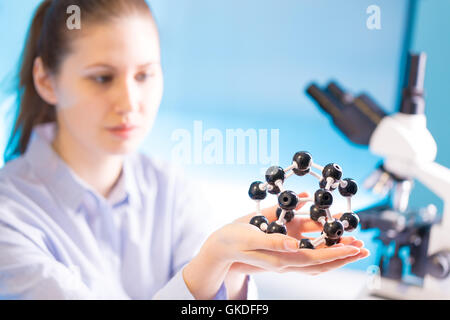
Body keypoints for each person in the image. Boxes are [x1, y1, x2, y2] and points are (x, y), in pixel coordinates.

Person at [0, 0, 369, 300]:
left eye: (144, 75)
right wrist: (211, 264)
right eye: (102, 77)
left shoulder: (168, 187)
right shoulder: (9, 218)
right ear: (46, 80)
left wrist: (233, 271)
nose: (129, 102)